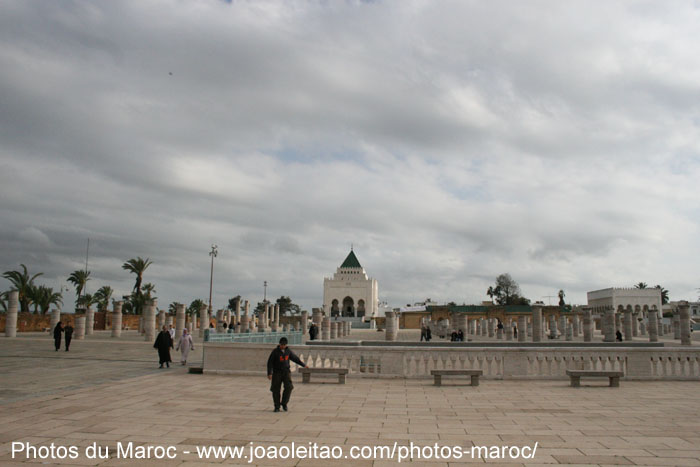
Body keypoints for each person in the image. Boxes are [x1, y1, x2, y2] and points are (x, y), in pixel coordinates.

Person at [267, 337, 307, 412]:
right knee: (276, 389)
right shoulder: (275, 352)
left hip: (286, 372)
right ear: (279, 344)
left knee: (289, 387)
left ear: (286, 345)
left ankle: (284, 403)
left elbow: (295, 358)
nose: (283, 346)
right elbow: (270, 363)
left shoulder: (288, 351)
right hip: (277, 373)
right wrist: (269, 373)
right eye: (282, 345)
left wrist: (303, 365)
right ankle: (277, 406)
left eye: (284, 345)